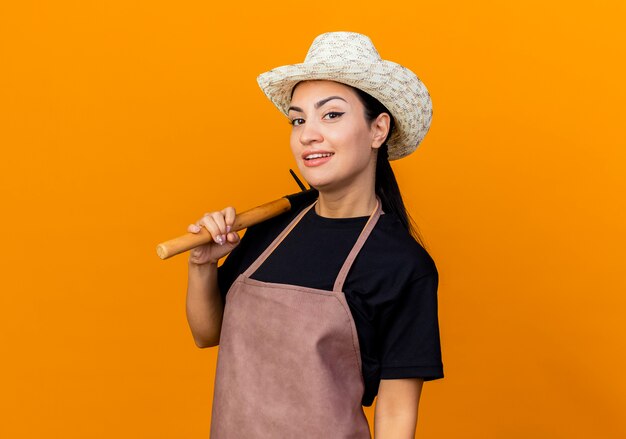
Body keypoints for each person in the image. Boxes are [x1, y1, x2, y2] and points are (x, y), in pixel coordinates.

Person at [185, 32, 443, 438]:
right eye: (298, 119)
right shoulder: (268, 232)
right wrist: (202, 266)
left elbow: (395, 412)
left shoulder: (402, 265)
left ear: (378, 130)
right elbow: (208, 334)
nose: (308, 134)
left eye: (332, 115)